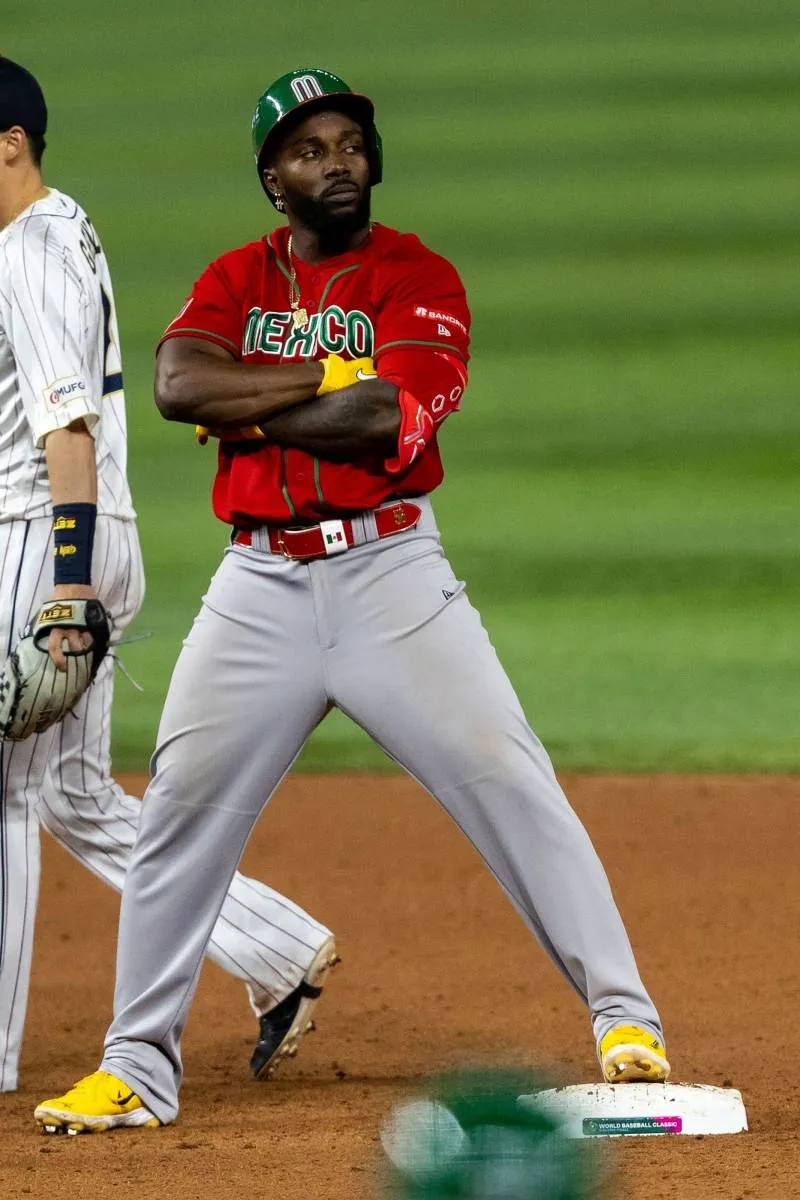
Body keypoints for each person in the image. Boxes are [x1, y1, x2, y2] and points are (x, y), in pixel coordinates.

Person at [36, 66, 670, 1135]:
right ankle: (136, 1069)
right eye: (309, 150)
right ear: (270, 178)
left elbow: (383, 422)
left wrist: (262, 407)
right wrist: (322, 383)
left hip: (392, 580)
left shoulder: (416, 275)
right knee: (181, 814)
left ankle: (625, 1019)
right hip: (257, 590)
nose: (338, 163)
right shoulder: (235, 275)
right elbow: (180, 385)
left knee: (509, 783)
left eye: (350, 145)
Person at [0, 56, 338, 1097]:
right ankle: (278, 948)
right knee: (72, 793)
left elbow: (68, 421)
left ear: (8, 143)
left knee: (10, 797)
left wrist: (65, 584)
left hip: (42, 538)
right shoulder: (54, 227)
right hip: (69, 538)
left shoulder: (28, 252)